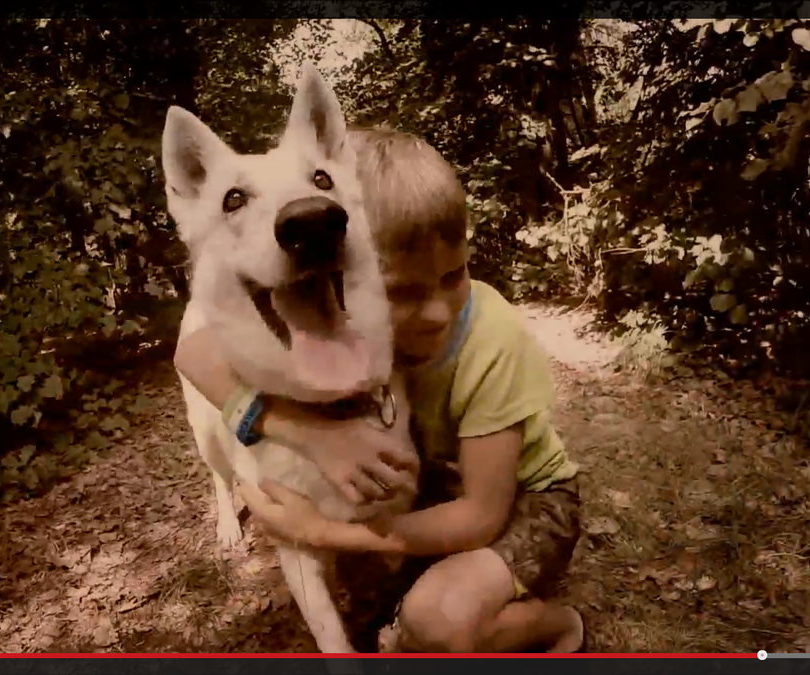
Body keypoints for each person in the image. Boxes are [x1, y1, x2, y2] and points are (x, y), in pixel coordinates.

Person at [174, 127, 585, 653]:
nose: (437, 312)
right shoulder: (347, 332)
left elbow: (481, 515)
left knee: (433, 621)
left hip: (527, 499)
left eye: (455, 274)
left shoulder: (492, 338)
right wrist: (313, 438)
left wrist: (320, 533)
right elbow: (191, 351)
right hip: (438, 485)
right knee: (377, 614)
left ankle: (558, 624)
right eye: (402, 291)